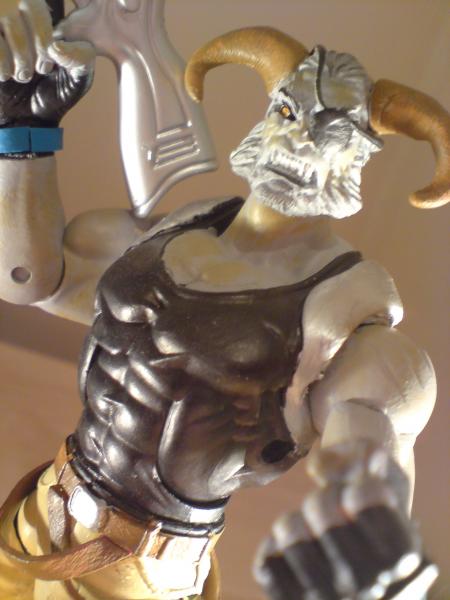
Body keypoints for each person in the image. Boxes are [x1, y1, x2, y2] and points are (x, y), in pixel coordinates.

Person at [0, 2, 448, 599]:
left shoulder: (349, 330)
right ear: (266, 117)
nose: (299, 142)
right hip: (41, 507)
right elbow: (30, 278)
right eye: (288, 112)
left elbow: (371, 481)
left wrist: (365, 547)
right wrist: (23, 134)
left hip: (136, 570)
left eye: (331, 133)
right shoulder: (164, 236)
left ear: (358, 158)